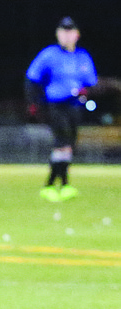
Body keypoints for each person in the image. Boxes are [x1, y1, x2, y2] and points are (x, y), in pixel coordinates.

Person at [25, 17, 97, 202]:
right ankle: (53, 185)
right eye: (62, 31)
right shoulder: (49, 54)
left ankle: (62, 185)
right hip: (55, 106)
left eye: (69, 31)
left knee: (68, 145)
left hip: (75, 106)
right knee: (62, 141)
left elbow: (91, 83)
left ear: (77, 34)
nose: (65, 35)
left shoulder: (82, 57)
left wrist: (85, 92)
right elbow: (32, 78)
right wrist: (35, 103)